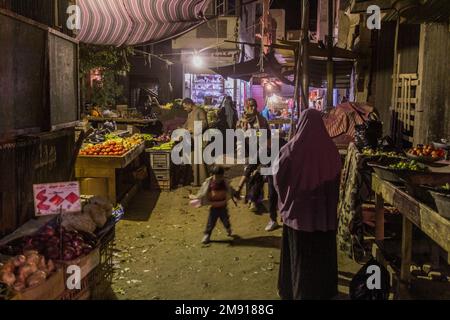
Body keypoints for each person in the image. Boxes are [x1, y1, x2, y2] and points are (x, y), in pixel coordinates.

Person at [274, 108, 342, 300]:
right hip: (324, 215)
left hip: (299, 215)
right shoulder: (331, 150)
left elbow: (278, 178)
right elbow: (337, 179)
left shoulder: (291, 149)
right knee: (322, 254)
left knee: (299, 257)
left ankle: (297, 291)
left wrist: (284, 202)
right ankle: (325, 292)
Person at [190, 166, 239, 244]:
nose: (218, 178)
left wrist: (236, 194)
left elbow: (231, 190)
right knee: (211, 222)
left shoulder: (225, 183)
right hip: (214, 207)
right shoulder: (208, 183)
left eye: (220, 176)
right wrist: (196, 197)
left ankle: (228, 229)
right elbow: (202, 192)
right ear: (212, 175)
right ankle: (207, 235)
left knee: (225, 219)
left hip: (223, 206)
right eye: (216, 176)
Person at [236, 98, 269, 212]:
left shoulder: (262, 119)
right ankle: (250, 198)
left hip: (260, 150)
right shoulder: (241, 121)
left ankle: (254, 200)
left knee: (258, 174)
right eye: (250, 106)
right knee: (249, 175)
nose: (253, 108)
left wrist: (257, 134)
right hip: (246, 151)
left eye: (254, 105)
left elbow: (265, 133)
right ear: (245, 107)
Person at [182, 98, 209, 187]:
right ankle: (196, 181)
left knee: (200, 161)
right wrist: (183, 129)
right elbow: (187, 123)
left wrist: (193, 129)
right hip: (193, 139)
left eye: (185, 107)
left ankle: (203, 181)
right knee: (194, 160)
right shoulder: (190, 113)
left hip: (200, 138)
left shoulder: (199, 111)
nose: (184, 109)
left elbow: (204, 123)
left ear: (189, 104)